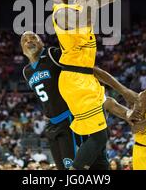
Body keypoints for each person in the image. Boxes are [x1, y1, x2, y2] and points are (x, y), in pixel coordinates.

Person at [45, 0, 119, 170]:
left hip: (85, 78)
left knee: (99, 154)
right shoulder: (60, 13)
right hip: (75, 80)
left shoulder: (77, 4)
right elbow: (86, 20)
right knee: (99, 137)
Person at [21, 31, 137, 170]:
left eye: (33, 38)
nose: (29, 41)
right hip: (52, 124)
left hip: (72, 118)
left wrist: (123, 91)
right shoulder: (26, 71)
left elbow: (88, 70)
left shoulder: (53, 54)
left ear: (41, 41)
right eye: (25, 40)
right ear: (22, 48)